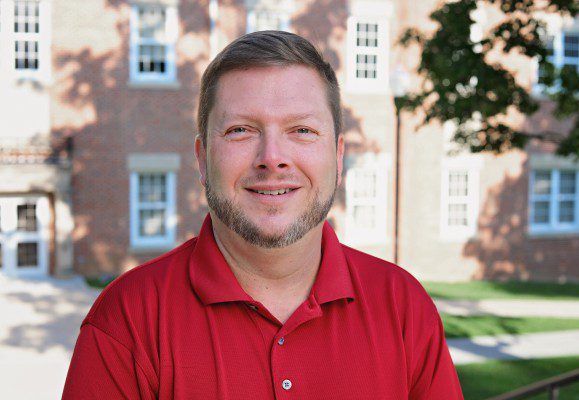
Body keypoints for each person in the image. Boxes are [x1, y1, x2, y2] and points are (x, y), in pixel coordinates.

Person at [63, 31, 463, 399]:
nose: (272, 159)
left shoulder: (404, 307)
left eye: (302, 130)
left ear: (338, 157)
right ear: (202, 159)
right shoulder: (126, 322)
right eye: (240, 130)